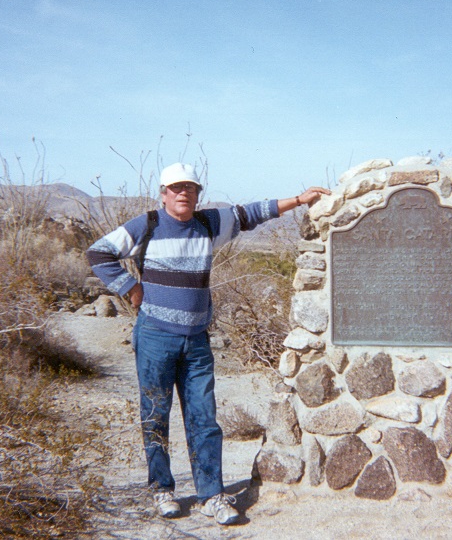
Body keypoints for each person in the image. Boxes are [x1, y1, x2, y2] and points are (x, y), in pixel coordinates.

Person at [86, 162, 329, 525]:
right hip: (155, 336)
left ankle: (211, 495)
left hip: (197, 341)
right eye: (176, 187)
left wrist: (298, 199)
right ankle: (162, 490)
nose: (183, 193)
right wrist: (129, 287)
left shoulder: (208, 223)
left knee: (204, 419)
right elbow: (99, 253)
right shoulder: (147, 224)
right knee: (155, 414)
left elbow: (251, 213)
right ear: (164, 193)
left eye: (190, 187)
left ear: (198, 194)